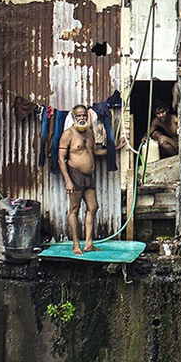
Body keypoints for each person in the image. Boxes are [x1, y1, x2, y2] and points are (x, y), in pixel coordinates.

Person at [59, 104, 105, 254]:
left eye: (84, 115)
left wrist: (115, 148)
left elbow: (95, 152)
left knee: (93, 207)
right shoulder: (68, 134)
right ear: (73, 117)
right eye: (79, 115)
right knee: (74, 209)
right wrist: (67, 180)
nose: (82, 118)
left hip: (88, 177)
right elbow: (61, 159)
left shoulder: (89, 132)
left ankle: (89, 244)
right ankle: (75, 245)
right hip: (75, 175)